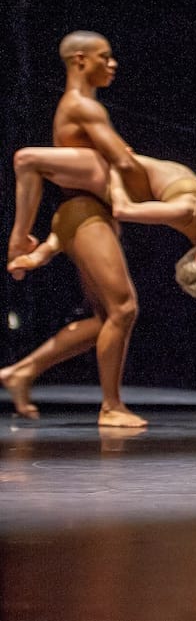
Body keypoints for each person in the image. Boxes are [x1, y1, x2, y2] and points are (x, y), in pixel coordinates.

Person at [0, 31, 148, 426]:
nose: (113, 64)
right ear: (80, 61)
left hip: (84, 215)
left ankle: (21, 372)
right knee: (124, 308)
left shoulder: (83, 109)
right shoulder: (82, 107)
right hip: (85, 216)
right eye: (105, 56)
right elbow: (122, 160)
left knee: (105, 320)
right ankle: (111, 406)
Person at [7, 148, 196, 298]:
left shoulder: (187, 212)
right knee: (28, 162)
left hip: (114, 177)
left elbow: (123, 210)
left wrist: (115, 170)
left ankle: (19, 245)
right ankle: (37, 254)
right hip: (124, 174)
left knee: (26, 160)